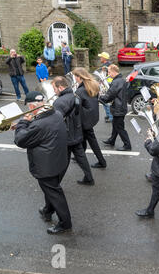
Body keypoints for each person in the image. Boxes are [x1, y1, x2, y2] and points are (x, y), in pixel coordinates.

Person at [13, 91, 72, 234]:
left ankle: (65, 223)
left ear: (33, 105)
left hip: (47, 165)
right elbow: (42, 129)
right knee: (51, 190)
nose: (28, 110)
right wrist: (27, 124)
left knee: (54, 192)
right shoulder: (56, 113)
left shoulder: (39, 124)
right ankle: (48, 210)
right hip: (58, 160)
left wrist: (22, 123)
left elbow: (20, 140)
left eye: (29, 107)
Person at [52, 76, 95, 185]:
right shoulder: (76, 96)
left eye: (54, 88)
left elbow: (55, 122)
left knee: (63, 161)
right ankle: (89, 178)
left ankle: (55, 185)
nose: (54, 91)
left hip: (67, 135)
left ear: (60, 87)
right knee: (81, 157)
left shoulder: (58, 102)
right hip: (77, 132)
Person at [72, 67, 107, 169]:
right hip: (92, 117)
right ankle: (80, 156)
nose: (75, 78)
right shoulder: (92, 85)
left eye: (75, 76)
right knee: (83, 138)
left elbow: (77, 107)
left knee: (91, 141)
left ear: (79, 77)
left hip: (85, 120)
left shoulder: (80, 91)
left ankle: (102, 162)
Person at [100, 64, 132, 151]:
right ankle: (112, 140)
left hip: (119, 108)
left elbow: (110, 95)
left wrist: (100, 97)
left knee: (120, 127)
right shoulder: (121, 80)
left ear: (114, 72)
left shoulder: (116, 82)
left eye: (109, 72)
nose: (108, 74)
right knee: (115, 125)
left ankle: (127, 145)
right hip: (121, 106)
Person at [98, 52, 113, 123]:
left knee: (105, 101)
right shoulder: (109, 64)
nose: (100, 58)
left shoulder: (105, 66)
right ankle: (108, 114)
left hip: (106, 85)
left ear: (104, 58)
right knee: (105, 101)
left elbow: (103, 76)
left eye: (101, 57)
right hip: (108, 84)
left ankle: (110, 116)